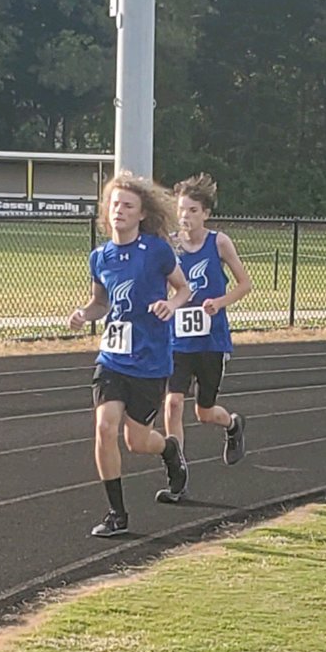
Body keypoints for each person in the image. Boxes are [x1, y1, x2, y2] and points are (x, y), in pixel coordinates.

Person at [69, 173, 192, 536]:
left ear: (141, 214)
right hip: (112, 359)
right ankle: (117, 515)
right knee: (105, 427)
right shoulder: (100, 257)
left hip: (150, 360)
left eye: (127, 205)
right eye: (114, 204)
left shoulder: (155, 251)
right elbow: (100, 303)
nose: (119, 210)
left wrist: (170, 305)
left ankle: (169, 450)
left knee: (137, 442)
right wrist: (83, 314)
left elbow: (183, 289)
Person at [155, 173, 253, 503]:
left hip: (211, 340)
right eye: (181, 209)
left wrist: (218, 304)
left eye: (193, 210)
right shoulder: (169, 245)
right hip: (178, 338)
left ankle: (232, 425)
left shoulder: (219, 243)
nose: (185, 216)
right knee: (172, 403)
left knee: (205, 412)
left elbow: (244, 284)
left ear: (205, 213)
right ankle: (177, 473)